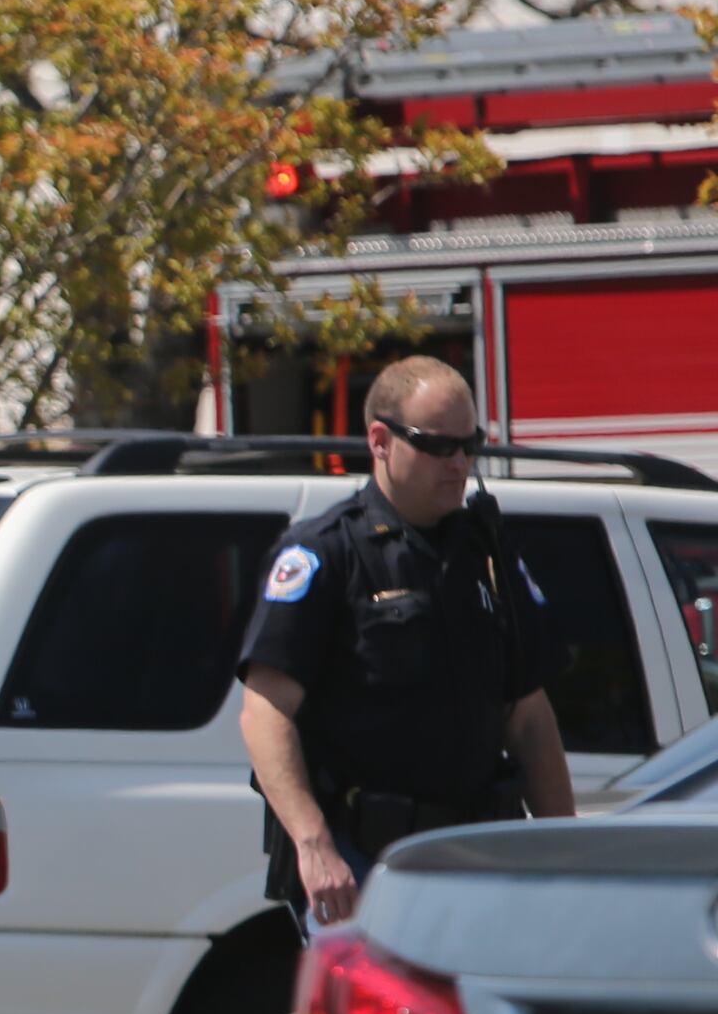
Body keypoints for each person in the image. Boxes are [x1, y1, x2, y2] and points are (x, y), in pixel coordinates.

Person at [238, 356, 574, 932]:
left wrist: (566, 859)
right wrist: (314, 846)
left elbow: (528, 716)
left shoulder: (487, 555)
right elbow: (265, 711)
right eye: (439, 446)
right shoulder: (327, 553)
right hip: (367, 868)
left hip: (476, 861)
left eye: (470, 445)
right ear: (380, 441)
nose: (461, 462)